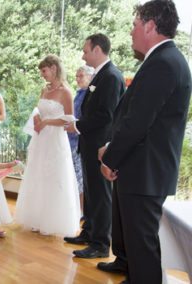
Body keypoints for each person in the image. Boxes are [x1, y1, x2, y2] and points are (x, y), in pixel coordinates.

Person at [97, 1, 191, 283]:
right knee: (140, 249)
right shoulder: (165, 60)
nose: (131, 31)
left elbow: (138, 122)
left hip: (145, 171)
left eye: (135, 25)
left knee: (143, 250)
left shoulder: (162, 63)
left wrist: (109, 158)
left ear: (150, 26)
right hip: (143, 170)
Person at [64, 34, 125, 258]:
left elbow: (106, 116)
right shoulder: (101, 76)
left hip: (100, 145)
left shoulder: (110, 77)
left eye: (86, 51)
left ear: (97, 50)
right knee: (90, 191)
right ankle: (89, 232)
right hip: (89, 144)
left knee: (101, 194)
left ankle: (101, 243)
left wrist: (77, 125)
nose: (83, 55)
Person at [15, 54, 81, 236]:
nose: (42, 75)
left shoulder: (66, 92)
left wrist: (47, 123)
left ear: (53, 68)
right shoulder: (44, 90)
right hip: (40, 138)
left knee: (53, 176)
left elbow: (69, 121)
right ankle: (37, 218)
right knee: (38, 175)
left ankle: (52, 221)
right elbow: (39, 109)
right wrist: (37, 117)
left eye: (44, 71)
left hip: (55, 139)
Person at [67, 65, 94, 216]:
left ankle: (83, 211)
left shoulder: (88, 95)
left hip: (79, 141)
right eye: (76, 76)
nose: (77, 79)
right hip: (71, 140)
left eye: (81, 76)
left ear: (90, 77)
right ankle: (77, 210)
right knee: (75, 178)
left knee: (80, 179)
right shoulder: (79, 94)